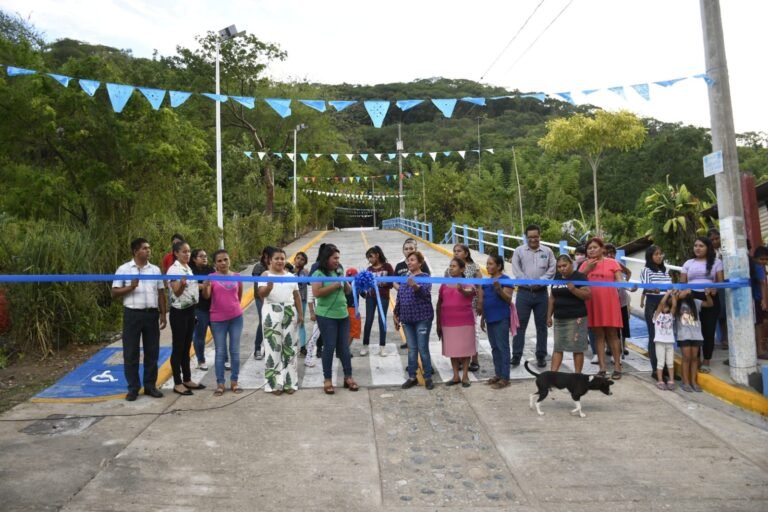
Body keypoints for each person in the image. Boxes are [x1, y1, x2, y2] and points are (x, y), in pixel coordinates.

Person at [111, 238, 167, 401]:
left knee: (152, 351)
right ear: (136, 251)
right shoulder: (124, 269)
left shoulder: (155, 270)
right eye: (144, 248)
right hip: (132, 315)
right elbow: (114, 293)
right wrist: (130, 287)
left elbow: (161, 293)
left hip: (151, 314)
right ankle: (133, 388)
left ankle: (150, 386)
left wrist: (163, 314)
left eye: (149, 248)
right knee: (131, 352)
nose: (148, 251)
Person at [311, 244, 358, 395]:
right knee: (329, 347)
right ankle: (328, 380)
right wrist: (335, 284)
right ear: (326, 258)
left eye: (338, 258)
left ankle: (348, 377)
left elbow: (347, 290)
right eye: (334, 258)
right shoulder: (318, 274)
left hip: (342, 314)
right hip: (326, 316)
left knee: (344, 347)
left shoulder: (339, 272)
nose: (337, 261)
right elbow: (317, 293)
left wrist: (348, 284)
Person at [258, 248, 303, 395]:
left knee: (290, 348)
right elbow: (261, 294)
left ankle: (290, 383)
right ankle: (274, 384)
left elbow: (297, 296)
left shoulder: (291, 276)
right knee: (273, 348)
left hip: (290, 311)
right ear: (269, 260)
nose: (280, 261)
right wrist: (269, 287)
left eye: (282, 258)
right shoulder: (265, 275)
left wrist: (301, 314)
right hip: (272, 311)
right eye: (276, 258)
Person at [579, 237, 625, 379]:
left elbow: (620, 281)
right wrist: (587, 269)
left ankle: (617, 366)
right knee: (598, 335)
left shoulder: (612, 262)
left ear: (602, 249)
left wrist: (630, 287)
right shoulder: (584, 264)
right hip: (593, 303)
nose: (592, 250)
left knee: (612, 334)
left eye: (595, 247)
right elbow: (577, 280)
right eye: (589, 248)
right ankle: (602, 368)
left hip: (610, 303)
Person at [511, 224, 556, 368]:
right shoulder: (519, 251)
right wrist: (528, 283)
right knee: (520, 326)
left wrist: (541, 282)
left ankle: (541, 356)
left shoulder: (547, 251)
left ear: (539, 236)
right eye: (530, 237)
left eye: (535, 237)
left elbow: (552, 269)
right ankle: (516, 355)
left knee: (542, 326)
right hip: (523, 293)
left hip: (542, 294)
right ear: (526, 237)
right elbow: (517, 270)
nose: (533, 239)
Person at [203, 249, 244, 396]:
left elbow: (238, 296)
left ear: (229, 260)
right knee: (220, 352)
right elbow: (207, 296)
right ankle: (220, 383)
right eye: (219, 261)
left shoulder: (237, 276)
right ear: (215, 263)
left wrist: (233, 309)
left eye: (225, 259)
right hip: (217, 320)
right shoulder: (211, 277)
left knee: (235, 351)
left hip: (236, 318)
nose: (223, 263)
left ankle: (234, 381)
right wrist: (206, 286)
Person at [680, 236, 723, 373]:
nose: (697, 248)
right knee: (693, 330)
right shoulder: (688, 263)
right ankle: (695, 359)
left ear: (708, 248)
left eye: (701, 246)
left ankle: (706, 360)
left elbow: (720, 282)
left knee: (708, 330)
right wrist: (684, 293)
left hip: (710, 298)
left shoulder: (716, 262)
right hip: (690, 299)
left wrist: (714, 289)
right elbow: (682, 283)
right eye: (696, 245)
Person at [167, 241, 205, 396]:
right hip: (179, 313)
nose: (187, 254)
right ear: (176, 253)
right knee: (178, 348)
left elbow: (192, 288)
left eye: (189, 251)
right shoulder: (173, 270)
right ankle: (177, 383)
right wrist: (182, 285)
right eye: (184, 252)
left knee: (186, 347)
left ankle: (187, 379)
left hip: (190, 311)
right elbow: (176, 292)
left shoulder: (187, 268)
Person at [394, 251, 435, 390]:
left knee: (422, 348)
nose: (409, 262)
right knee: (412, 349)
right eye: (408, 260)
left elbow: (424, 294)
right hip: (407, 319)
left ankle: (428, 376)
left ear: (420, 263)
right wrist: (396, 314)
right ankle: (412, 377)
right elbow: (400, 297)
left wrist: (414, 286)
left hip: (422, 318)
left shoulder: (425, 277)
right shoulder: (405, 278)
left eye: (412, 260)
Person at [546, 254, 591, 374]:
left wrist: (574, 290)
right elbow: (552, 297)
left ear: (571, 264)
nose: (562, 269)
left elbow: (588, 295)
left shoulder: (579, 277)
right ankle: (552, 375)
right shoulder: (557, 277)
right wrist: (549, 316)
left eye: (564, 265)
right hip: (560, 318)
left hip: (576, 318)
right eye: (559, 266)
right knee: (558, 347)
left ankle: (577, 376)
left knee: (577, 348)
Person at [436, 258, 476, 387]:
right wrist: (438, 323)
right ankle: (455, 376)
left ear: (462, 269)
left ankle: (465, 376)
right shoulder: (444, 283)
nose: (451, 268)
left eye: (454, 266)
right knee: (452, 349)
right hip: (448, 321)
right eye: (450, 266)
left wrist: (462, 290)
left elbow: (471, 292)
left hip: (464, 321)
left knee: (465, 350)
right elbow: (439, 302)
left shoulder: (467, 282)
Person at [444, 244, 483, 372]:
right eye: (454, 251)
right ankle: (459, 359)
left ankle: (475, 358)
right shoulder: (449, 269)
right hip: (454, 307)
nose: (456, 253)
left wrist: (480, 302)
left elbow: (479, 286)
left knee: (473, 332)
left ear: (466, 253)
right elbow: (444, 288)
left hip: (470, 304)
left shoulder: (474, 267)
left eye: (459, 251)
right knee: (457, 334)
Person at [480, 255, 514, 389]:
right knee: (494, 348)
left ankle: (505, 377)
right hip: (490, 318)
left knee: (503, 348)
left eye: (491, 264)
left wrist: (499, 289)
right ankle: (498, 374)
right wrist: (483, 317)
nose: (488, 266)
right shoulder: (486, 281)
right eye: (487, 264)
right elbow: (485, 301)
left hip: (501, 318)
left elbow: (508, 299)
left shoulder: (506, 280)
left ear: (499, 266)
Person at [640, 245, 673, 383]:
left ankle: (666, 369)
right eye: (656, 254)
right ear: (650, 256)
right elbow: (646, 289)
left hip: (667, 305)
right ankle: (656, 369)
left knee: (666, 338)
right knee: (655, 337)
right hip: (653, 305)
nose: (659, 256)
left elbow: (669, 287)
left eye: (660, 254)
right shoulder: (646, 270)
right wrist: (656, 290)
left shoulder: (665, 271)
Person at [394, 238, 431, 350]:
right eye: (406, 249)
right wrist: (402, 289)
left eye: (411, 248)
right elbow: (394, 281)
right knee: (408, 326)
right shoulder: (399, 265)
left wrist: (413, 287)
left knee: (421, 345)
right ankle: (409, 342)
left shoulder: (421, 264)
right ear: (402, 250)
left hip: (419, 306)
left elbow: (427, 283)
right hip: (403, 298)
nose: (408, 250)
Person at [675, 289, 713, 392]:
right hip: (684, 335)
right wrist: (679, 295)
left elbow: (710, 304)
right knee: (686, 357)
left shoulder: (696, 302)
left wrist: (707, 294)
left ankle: (693, 382)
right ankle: (685, 382)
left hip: (696, 334)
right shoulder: (678, 302)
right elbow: (672, 304)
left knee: (694, 358)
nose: (687, 292)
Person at [361, 246, 395, 356]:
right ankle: (365, 345)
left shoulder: (387, 266)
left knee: (382, 321)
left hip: (383, 297)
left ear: (377, 255)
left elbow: (392, 282)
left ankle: (382, 346)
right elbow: (364, 284)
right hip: (370, 298)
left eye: (370, 256)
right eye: (368, 258)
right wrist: (363, 292)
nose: (369, 259)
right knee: (369, 320)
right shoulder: (369, 270)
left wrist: (385, 283)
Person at [604, 243, 635, 357]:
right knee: (609, 325)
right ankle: (608, 346)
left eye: (612, 253)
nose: (610, 255)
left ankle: (622, 346)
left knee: (623, 324)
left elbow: (628, 272)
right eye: (608, 253)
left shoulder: (617, 264)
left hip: (621, 298)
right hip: (608, 299)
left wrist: (624, 284)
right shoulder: (602, 265)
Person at [252, 246, 278, 360]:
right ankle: (257, 348)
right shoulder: (259, 267)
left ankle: (270, 347)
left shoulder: (275, 266)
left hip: (274, 297)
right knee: (263, 321)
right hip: (261, 298)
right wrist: (264, 302)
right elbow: (258, 287)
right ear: (266, 256)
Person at [190, 249, 214, 370]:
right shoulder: (190, 271)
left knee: (218, 335)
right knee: (200, 336)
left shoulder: (211, 270)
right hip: (199, 308)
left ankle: (224, 359)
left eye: (205, 256)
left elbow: (215, 283)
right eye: (201, 256)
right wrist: (203, 286)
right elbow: (189, 285)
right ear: (194, 259)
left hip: (214, 307)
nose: (204, 258)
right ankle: (201, 360)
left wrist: (203, 286)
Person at [708, 228, 728, 350]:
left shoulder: (726, 250)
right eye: (712, 240)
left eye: (717, 238)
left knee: (725, 313)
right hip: (714, 285)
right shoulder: (709, 255)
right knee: (717, 313)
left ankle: (725, 339)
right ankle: (719, 339)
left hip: (726, 284)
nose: (715, 241)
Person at [653, 290, 677, 390]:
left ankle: (671, 380)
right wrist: (667, 294)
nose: (665, 306)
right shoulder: (657, 316)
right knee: (660, 362)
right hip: (659, 342)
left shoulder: (671, 316)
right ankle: (660, 380)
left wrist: (673, 295)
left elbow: (674, 305)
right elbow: (661, 304)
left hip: (669, 342)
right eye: (664, 305)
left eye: (667, 305)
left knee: (670, 362)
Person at [750, 246, 768, 359]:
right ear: (755, 258)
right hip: (757, 299)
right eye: (761, 259)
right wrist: (764, 300)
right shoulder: (758, 267)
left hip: (755, 299)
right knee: (759, 324)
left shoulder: (755, 265)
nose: (763, 262)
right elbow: (763, 284)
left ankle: (761, 347)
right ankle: (760, 350)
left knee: (760, 323)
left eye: (766, 260)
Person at [293, 251, 309, 356]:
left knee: (301, 322)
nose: (299, 260)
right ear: (294, 259)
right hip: (290, 300)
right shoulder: (287, 271)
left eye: (302, 259)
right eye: (298, 258)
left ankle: (303, 346)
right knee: (291, 322)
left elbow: (309, 283)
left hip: (302, 299)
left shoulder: (305, 272)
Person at [345, 267, 362, 349]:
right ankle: (345, 349)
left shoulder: (344, 283)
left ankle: (344, 349)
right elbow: (365, 295)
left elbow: (364, 294)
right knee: (353, 330)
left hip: (345, 310)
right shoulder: (356, 285)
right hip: (352, 310)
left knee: (347, 331)